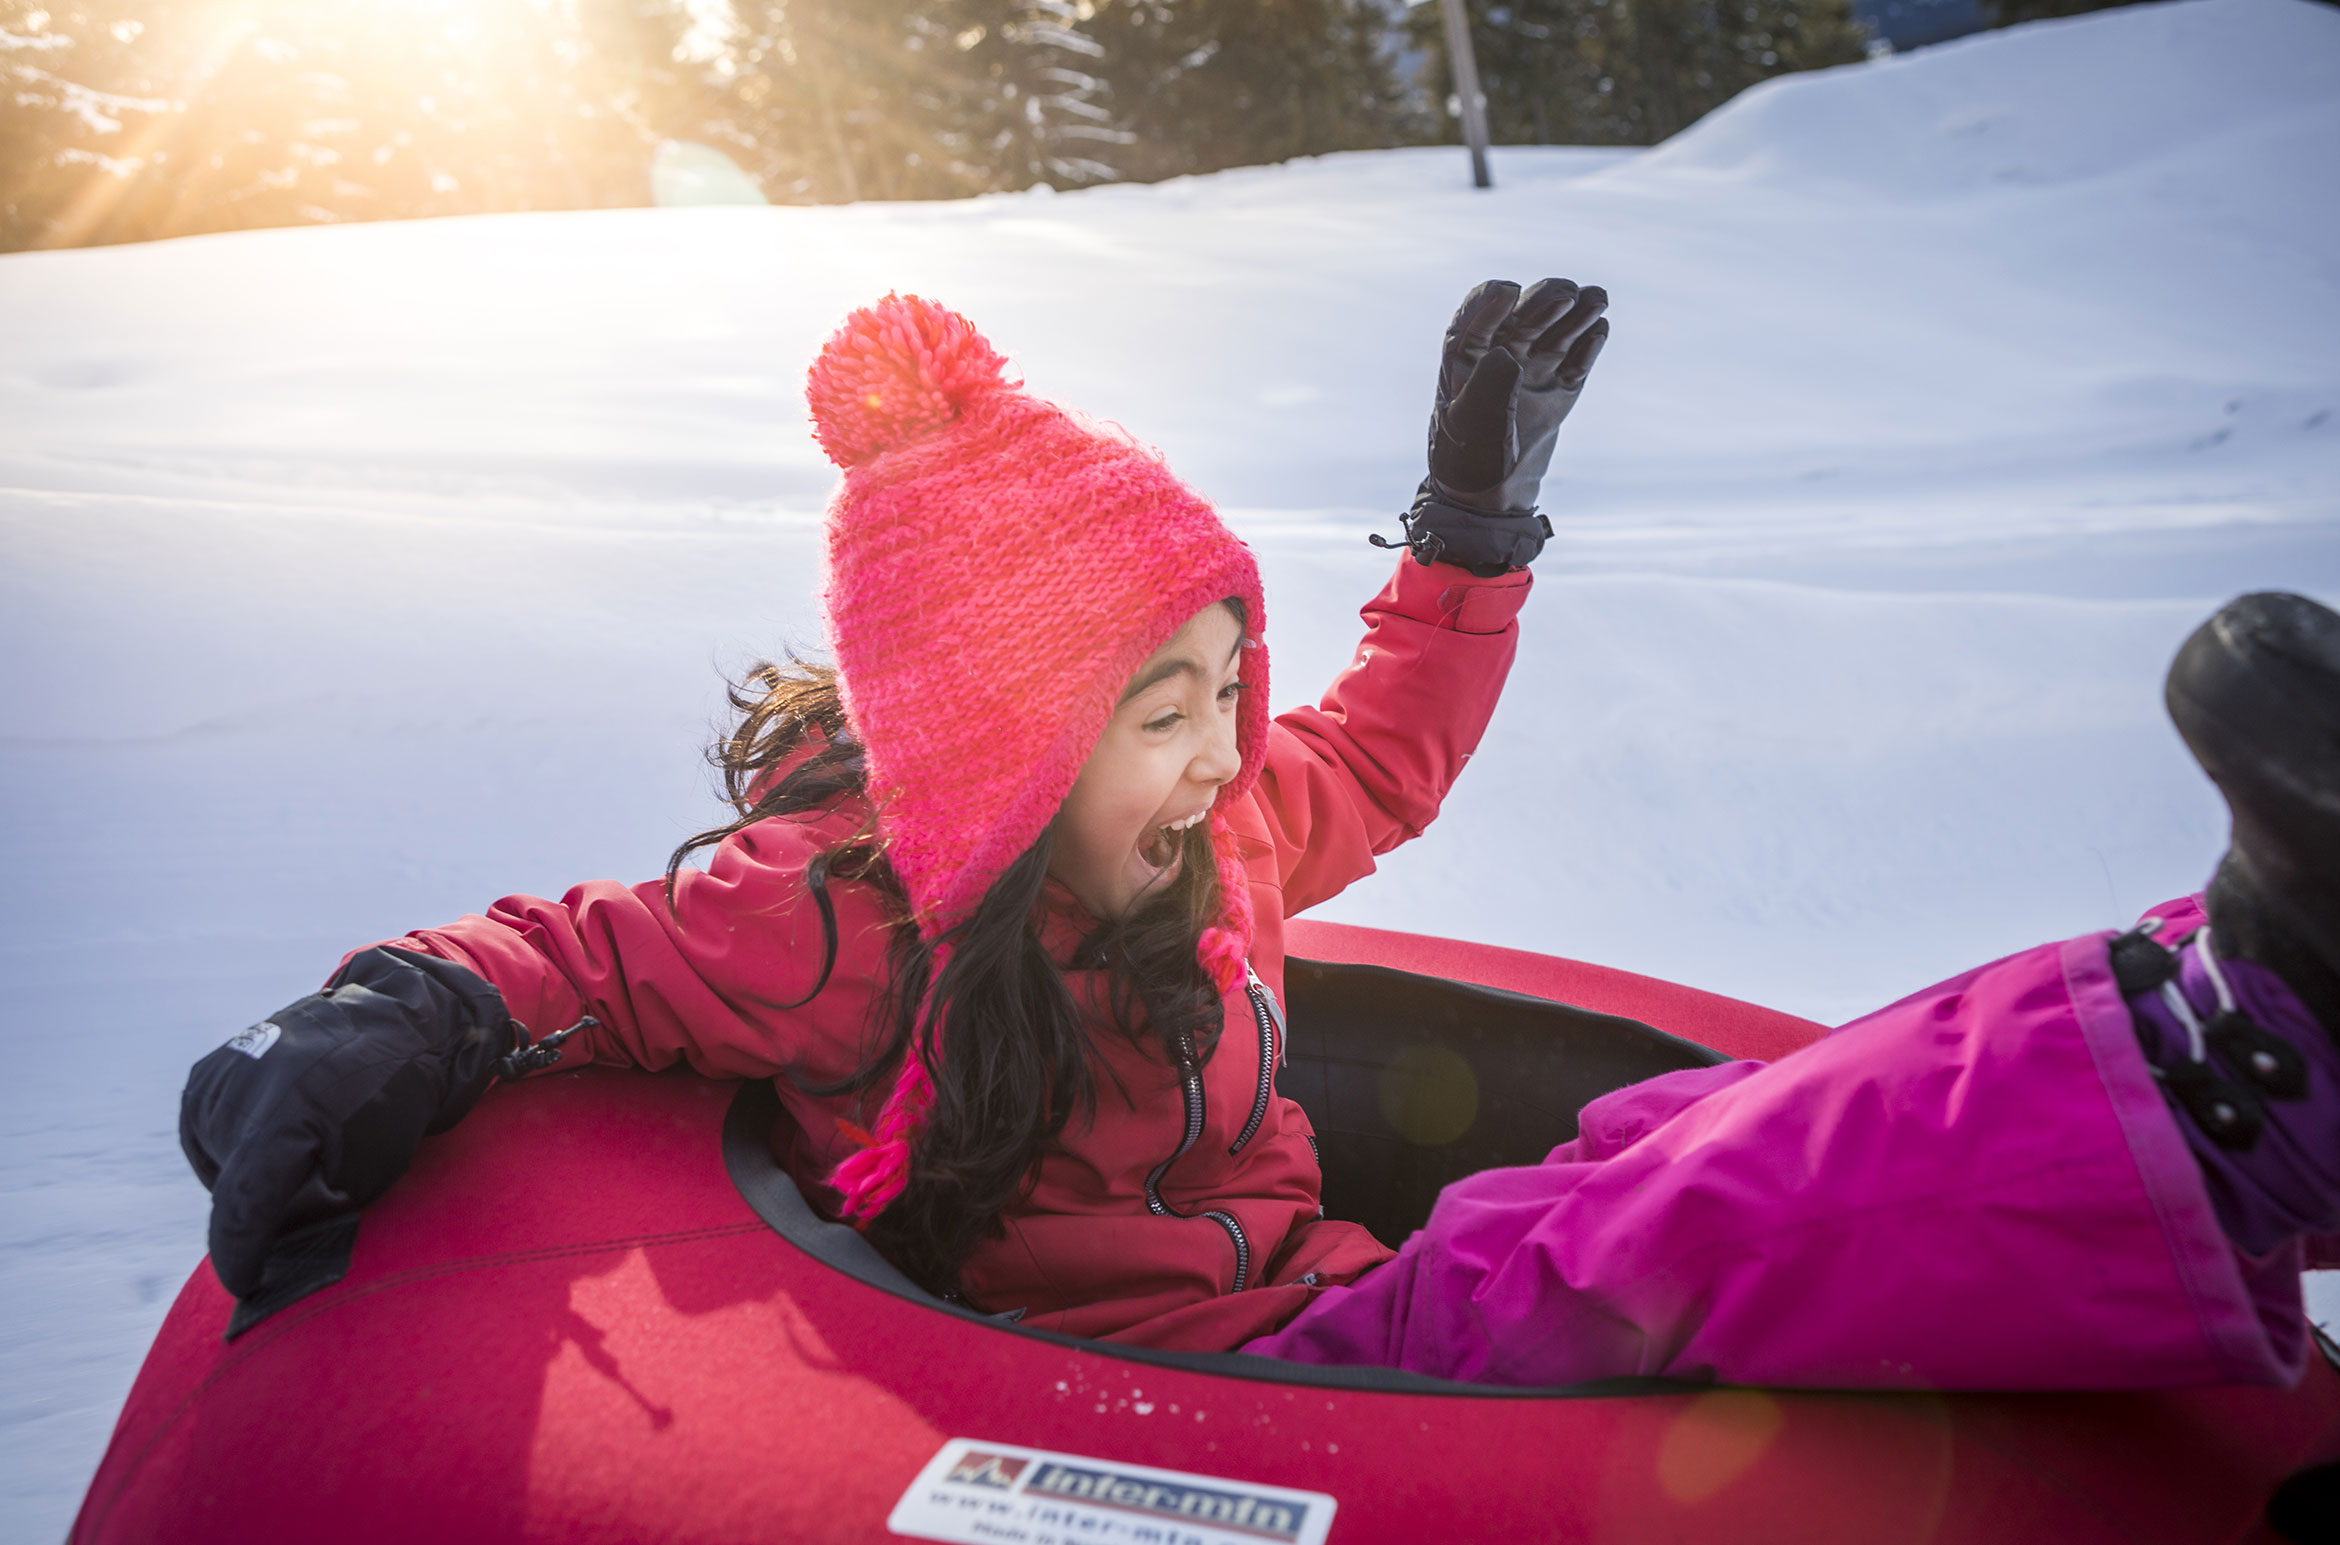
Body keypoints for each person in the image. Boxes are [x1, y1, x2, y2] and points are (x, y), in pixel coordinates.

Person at [179, 290, 2340, 1394]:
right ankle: (2232, 1075)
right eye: (1160, 707)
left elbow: (1376, 745)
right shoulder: (859, 926)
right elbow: (582, 950)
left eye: (1228, 681)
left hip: (1330, 1293)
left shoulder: (1207, 843)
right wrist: (382, 1020)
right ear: (1005, 746)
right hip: (1174, 1401)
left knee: (1670, 1133)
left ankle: (2218, 1026)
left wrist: (1471, 533)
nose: (1225, 752)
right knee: (1597, 1248)